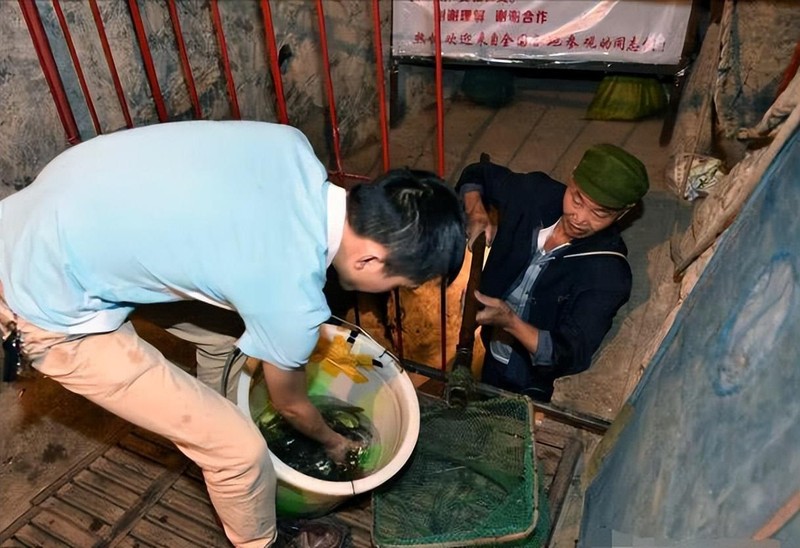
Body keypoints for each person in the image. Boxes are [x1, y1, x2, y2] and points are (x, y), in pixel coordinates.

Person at [0, 120, 465, 547]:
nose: (391, 293)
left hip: (41, 208)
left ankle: (209, 431)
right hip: (45, 303)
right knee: (240, 452)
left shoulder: (290, 147)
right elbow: (291, 406)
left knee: (226, 339)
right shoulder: (291, 298)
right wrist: (335, 442)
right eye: (398, 285)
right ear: (369, 261)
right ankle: (259, 536)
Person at [456, 144, 649, 402]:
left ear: (623, 213)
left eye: (599, 213)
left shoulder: (608, 274)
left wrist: (511, 322)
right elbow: (477, 174)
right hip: (490, 350)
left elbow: (568, 354)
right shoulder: (535, 194)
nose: (579, 218)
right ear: (572, 176)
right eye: (577, 199)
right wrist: (476, 211)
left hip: (533, 385)